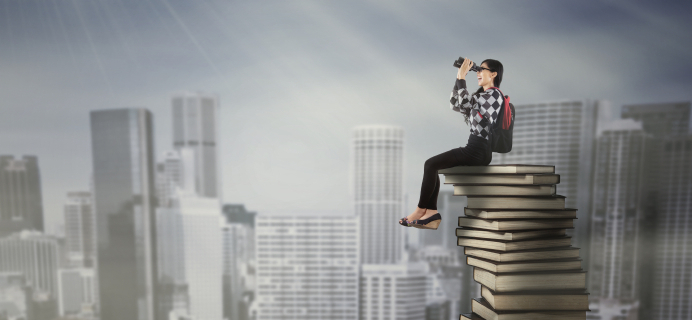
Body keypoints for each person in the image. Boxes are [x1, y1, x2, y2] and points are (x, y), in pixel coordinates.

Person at [399, 58, 505, 230]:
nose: (477, 73)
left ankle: (421, 211)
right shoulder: (482, 96)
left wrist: (462, 77)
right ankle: (431, 213)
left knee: (430, 164)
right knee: (434, 167)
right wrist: (458, 76)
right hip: (475, 148)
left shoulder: (494, 95)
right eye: (476, 70)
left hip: (478, 150)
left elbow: (463, 102)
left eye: (481, 69)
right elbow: (455, 104)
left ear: (494, 74)